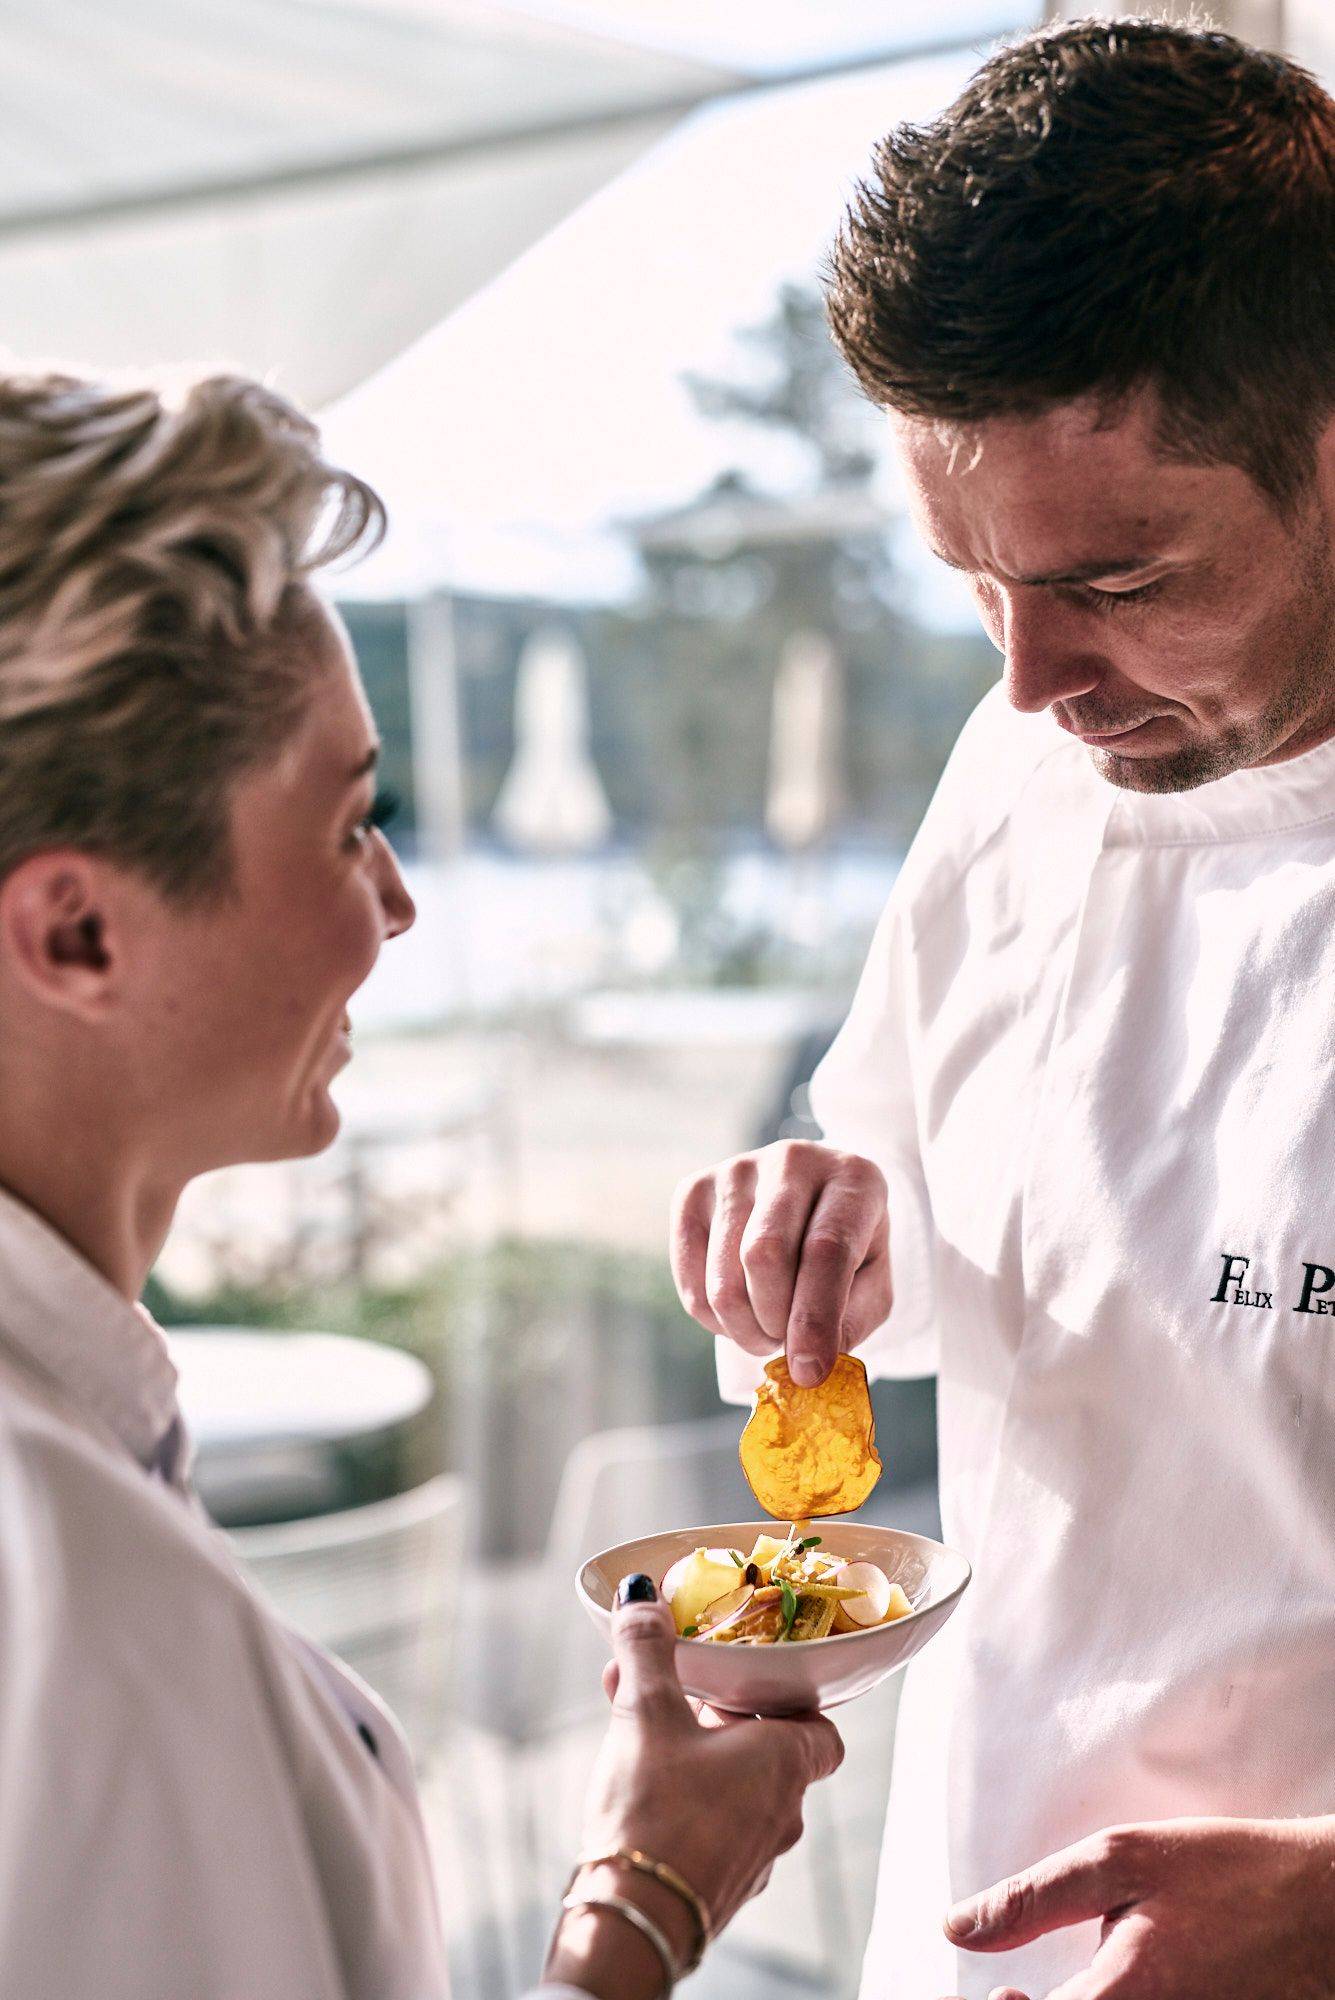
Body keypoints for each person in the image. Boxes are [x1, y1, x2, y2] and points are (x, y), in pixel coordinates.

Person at [0, 368, 843, 1999]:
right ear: (77, 934)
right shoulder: (80, 1599)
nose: (394, 906)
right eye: (345, 825)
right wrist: (644, 1901)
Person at [672, 18, 1335, 2000]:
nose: (1033, 678)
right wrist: (817, 1239)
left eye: (1115, 577)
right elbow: (926, 1254)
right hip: (978, 1920)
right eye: (972, 583)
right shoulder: (1027, 763)